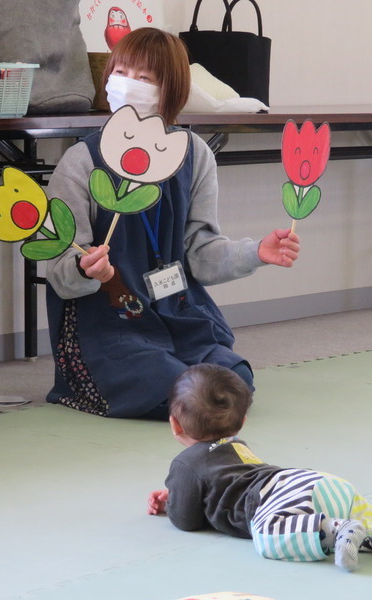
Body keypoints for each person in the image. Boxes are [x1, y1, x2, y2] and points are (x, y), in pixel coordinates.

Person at [44, 27, 300, 420]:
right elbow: (60, 269)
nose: (128, 84)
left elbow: (201, 254)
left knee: (233, 381)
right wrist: (85, 268)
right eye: (121, 72)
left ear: (171, 89)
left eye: (144, 77)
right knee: (172, 387)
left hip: (178, 311)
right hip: (109, 322)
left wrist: (256, 253)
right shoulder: (81, 160)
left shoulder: (195, 155)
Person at [147, 364, 372, 577]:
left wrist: (175, 503)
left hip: (275, 500)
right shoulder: (237, 446)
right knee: (369, 514)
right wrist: (181, 494)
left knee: (266, 533)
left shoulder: (186, 464)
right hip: (313, 481)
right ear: (241, 423)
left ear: (174, 424)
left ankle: (335, 531)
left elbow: (186, 520)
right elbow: (221, 480)